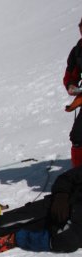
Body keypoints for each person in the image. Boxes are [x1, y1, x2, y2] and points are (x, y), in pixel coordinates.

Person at [64, 16, 82, 168]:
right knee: (77, 137)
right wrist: (71, 85)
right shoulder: (78, 51)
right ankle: (78, 175)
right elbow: (71, 74)